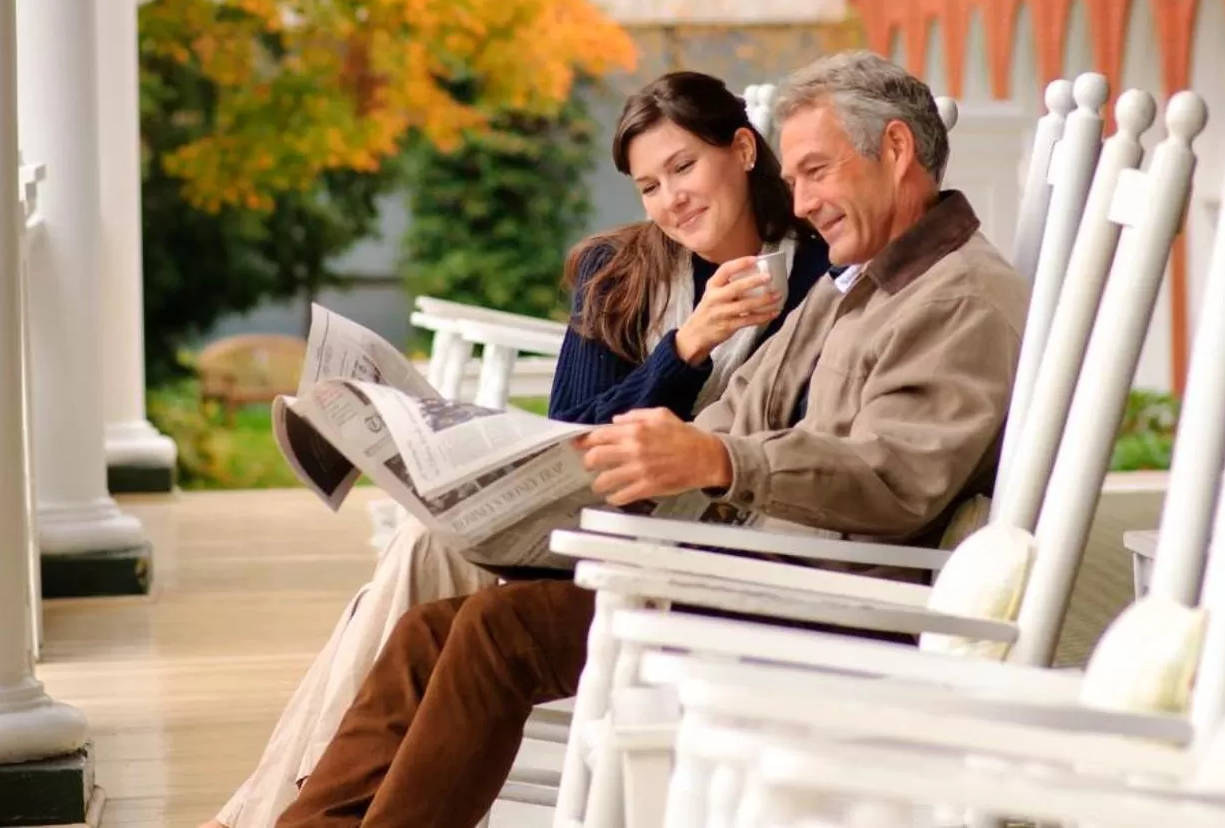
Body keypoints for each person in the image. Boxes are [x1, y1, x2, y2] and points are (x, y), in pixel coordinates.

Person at [274, 51, 1032, 828]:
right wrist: (661, 454)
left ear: (897, 150)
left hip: (806, 602)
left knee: (498, 636)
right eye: (796, 178)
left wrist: (716, 461)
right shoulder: (859, 282)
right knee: (429, 630)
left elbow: (896, 479)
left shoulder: (960, 298)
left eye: (814, 172)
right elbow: (744, 401)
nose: (799, 203)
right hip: (733, 566)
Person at [207, 71, 828, 828]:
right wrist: (686, 348)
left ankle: (270, 808)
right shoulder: (620, 273)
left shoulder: (814, 279)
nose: (672, 199)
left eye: (684, 167)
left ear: (742, 150)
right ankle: (279, 807)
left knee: (434, 593)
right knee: (423, 548)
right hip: (574, 521)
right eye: (648, 186)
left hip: (685, 544)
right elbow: (572, 424)